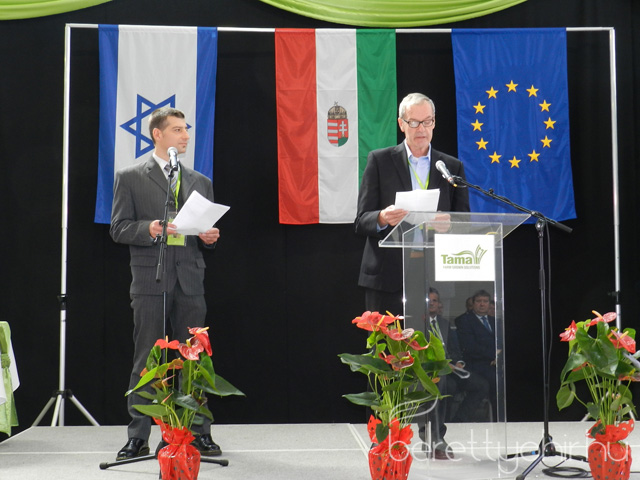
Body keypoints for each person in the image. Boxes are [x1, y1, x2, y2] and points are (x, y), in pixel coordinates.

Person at [110, 107, 222, 461]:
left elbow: (204, 232)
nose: (185, 135)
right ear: (157, 135)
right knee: (147, 358)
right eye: (177, 130)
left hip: (190, 279)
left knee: (194, 357)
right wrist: (149, 228)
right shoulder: (130, 177)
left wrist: (209, 237)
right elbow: (118, 228)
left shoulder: (200, 181)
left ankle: (198, 432)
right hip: (150, 278)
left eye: (186, 129)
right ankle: (138, 437)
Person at [355, 93, 470, 315]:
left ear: (434, 122)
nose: (421, 129)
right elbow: (361, 221)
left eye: (427, 121)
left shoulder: (451, 167)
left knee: (434, 338)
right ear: (401, 124)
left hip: (436, 275)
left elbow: (464, 220)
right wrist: (382, 218)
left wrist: (450, 224)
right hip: (387, 275)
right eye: (414, 122)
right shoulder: (380, 161)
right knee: (388, 339)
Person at [421, 288, 489, 459]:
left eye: (435, 300)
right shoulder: (417, 323)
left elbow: (455, 349)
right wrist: (442, 364)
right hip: (431, 371)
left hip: (452, 368)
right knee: (446, 386)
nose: (432, 303)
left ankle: (459, 419)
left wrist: (458, 363)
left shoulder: (444, 323)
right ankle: (435, 434)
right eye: (429, 300)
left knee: (481, 385)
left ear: (439, 304)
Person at [455, 290, 501, 420]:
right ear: (473, 303)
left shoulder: (495, 321)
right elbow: (470, 347)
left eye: (485, 301)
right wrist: (494, 355)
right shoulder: (464, 320)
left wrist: (500, 357)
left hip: (495, 363)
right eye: (479, 301)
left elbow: (502, 343)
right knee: (496, 382)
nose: (482, 304)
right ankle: (497, 420)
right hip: (476, 365)